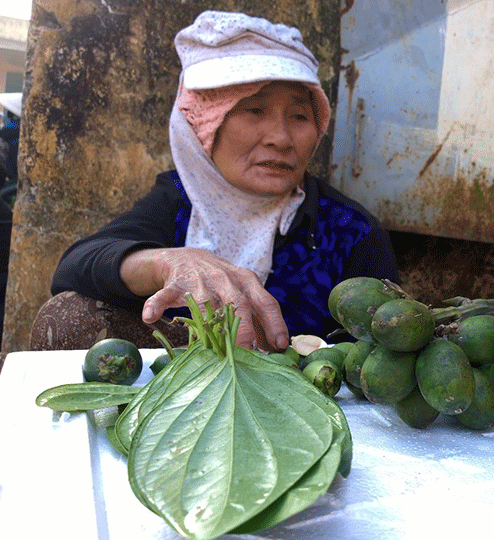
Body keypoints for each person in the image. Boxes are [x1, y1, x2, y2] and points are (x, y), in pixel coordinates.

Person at [30, 11, 399, 352]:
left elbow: (383, 356)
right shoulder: (179, 198)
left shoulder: (352, 233)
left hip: (296, 410)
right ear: (206, 126)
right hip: (184, 405)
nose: (282, 139)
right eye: (255, 110)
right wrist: (169, 263)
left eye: (300, 116)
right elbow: (74, 267)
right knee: (67, 316)